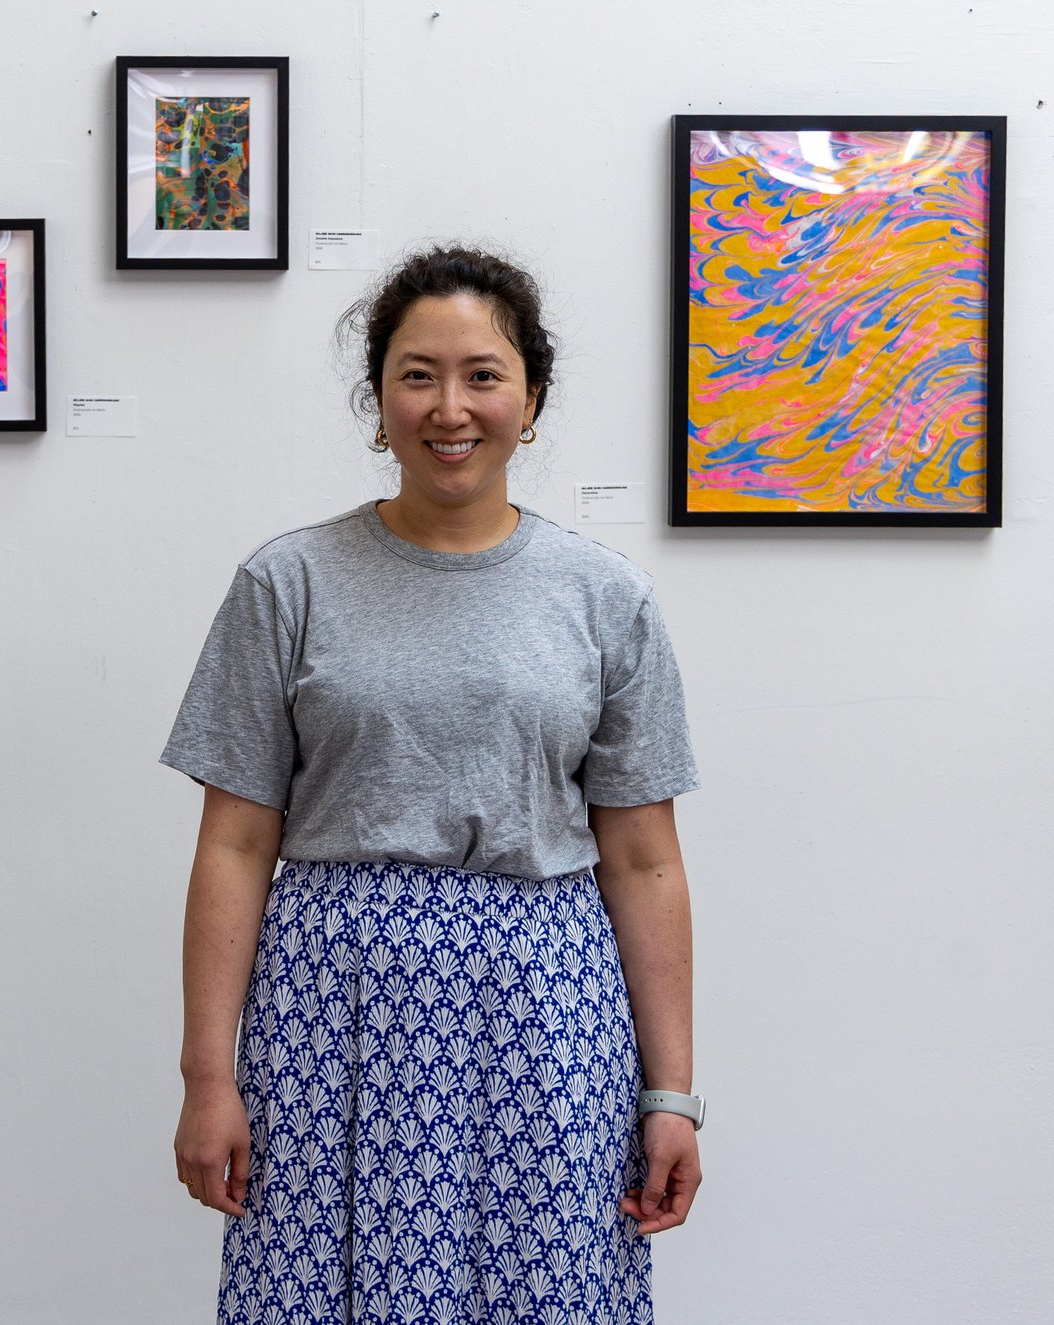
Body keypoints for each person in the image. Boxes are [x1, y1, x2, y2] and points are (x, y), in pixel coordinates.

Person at [161, 245, 703, 1324]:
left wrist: (671, 1094)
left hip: (545, 1013)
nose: (449, 406)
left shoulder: (605, 599)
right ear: (379, 398)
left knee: (543, 1291)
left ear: (529, 397)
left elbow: (644, 857)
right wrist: (206, 1075)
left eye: (482, 373)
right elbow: (231, 842)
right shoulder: (288, 582)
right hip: (330, 1011)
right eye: (417, 373)